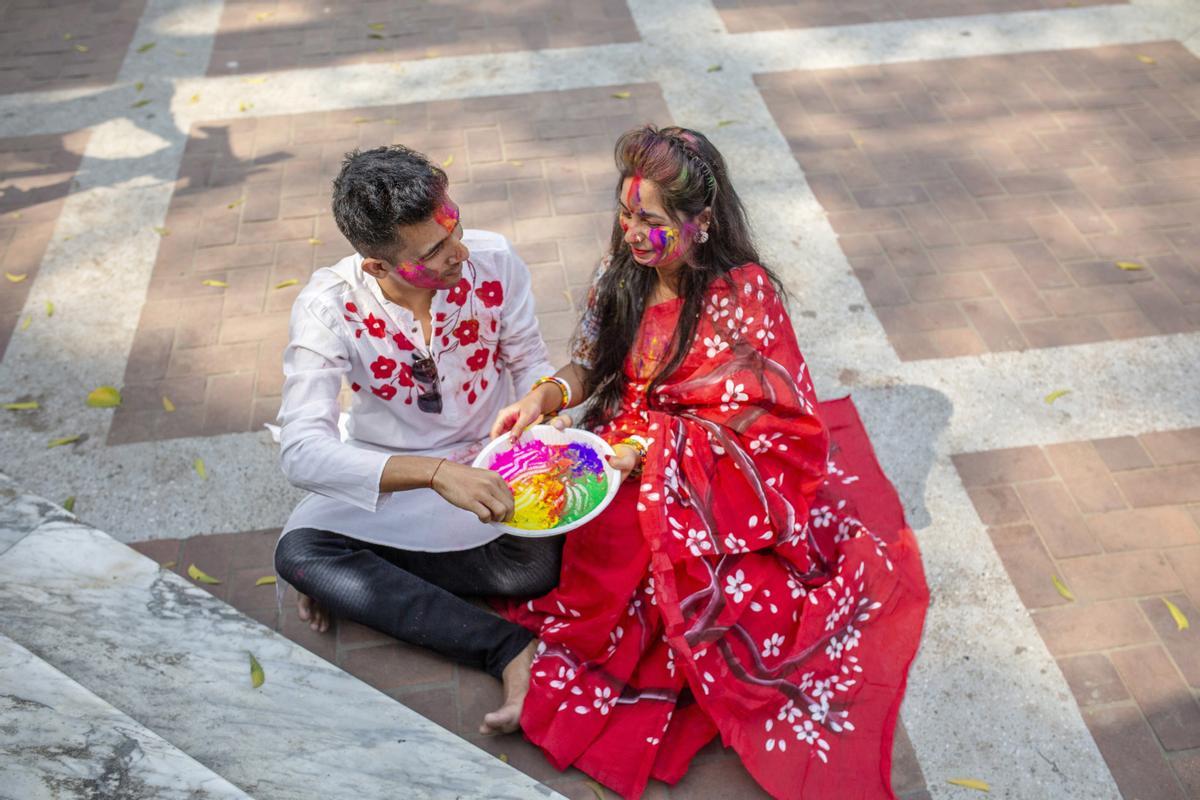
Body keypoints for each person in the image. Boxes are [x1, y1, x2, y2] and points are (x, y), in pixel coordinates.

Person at [490, 126, 930, 799]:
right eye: (625, 212)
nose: (632, 232)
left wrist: (655, 453)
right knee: (566, 538)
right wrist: (546, 396)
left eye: (651, 219)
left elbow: (771, 420)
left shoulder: (743, 295)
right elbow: (589, 363)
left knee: (683, 586)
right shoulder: (619, 276)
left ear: (701, 223)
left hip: (709, 476)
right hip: (622, 451)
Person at [273, 144, 565, 735]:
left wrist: (541, 415)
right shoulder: (328, 308)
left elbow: (531, 361)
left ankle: (370, 577)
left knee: (532, 567)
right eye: (433, 250)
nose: (458, 251)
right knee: (300, 556)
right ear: (378, 267)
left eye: (452, 224)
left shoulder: (493, 259)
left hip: (492, 463)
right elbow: (300, 450)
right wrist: (434, 475)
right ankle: (505, 648)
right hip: (399, 477)